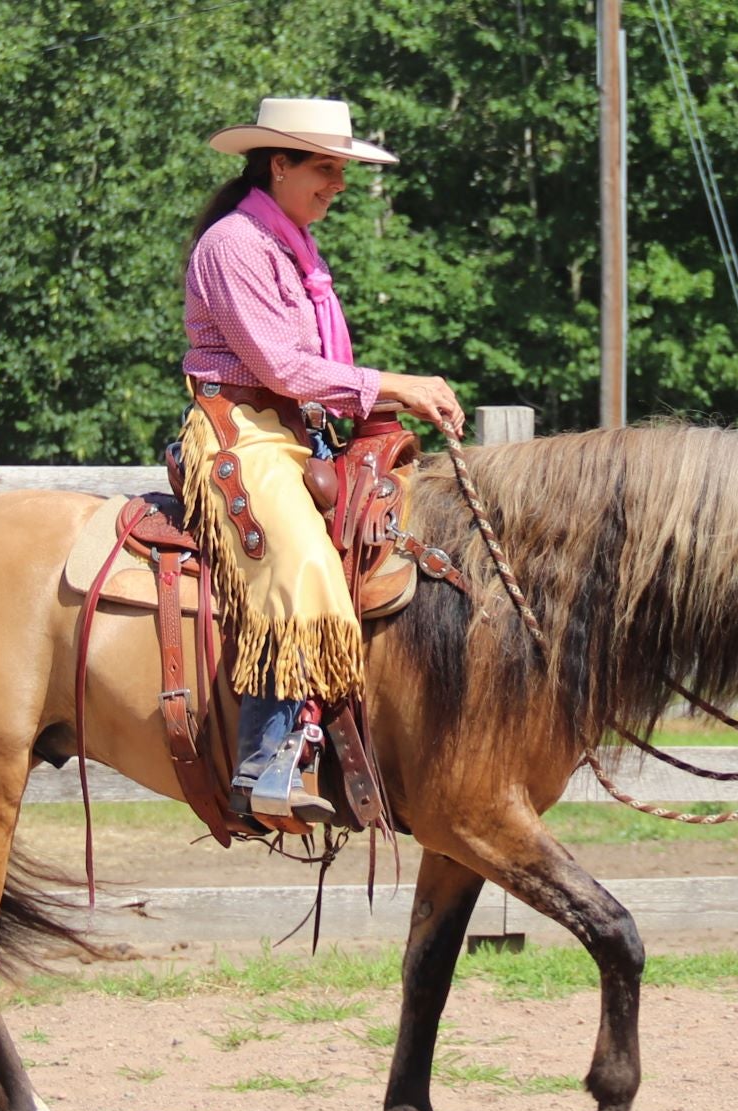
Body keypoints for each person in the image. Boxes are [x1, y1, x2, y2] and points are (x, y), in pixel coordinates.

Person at [179, 97, 464, 823]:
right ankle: (265, 760)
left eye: (341, 171)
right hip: (240, 428)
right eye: (325, 170)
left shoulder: (294, 247)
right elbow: (280, 366)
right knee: (300, 556)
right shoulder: (236, 245)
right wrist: (393, 384)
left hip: (299, 430)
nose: (336, 185)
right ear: (278, 165)